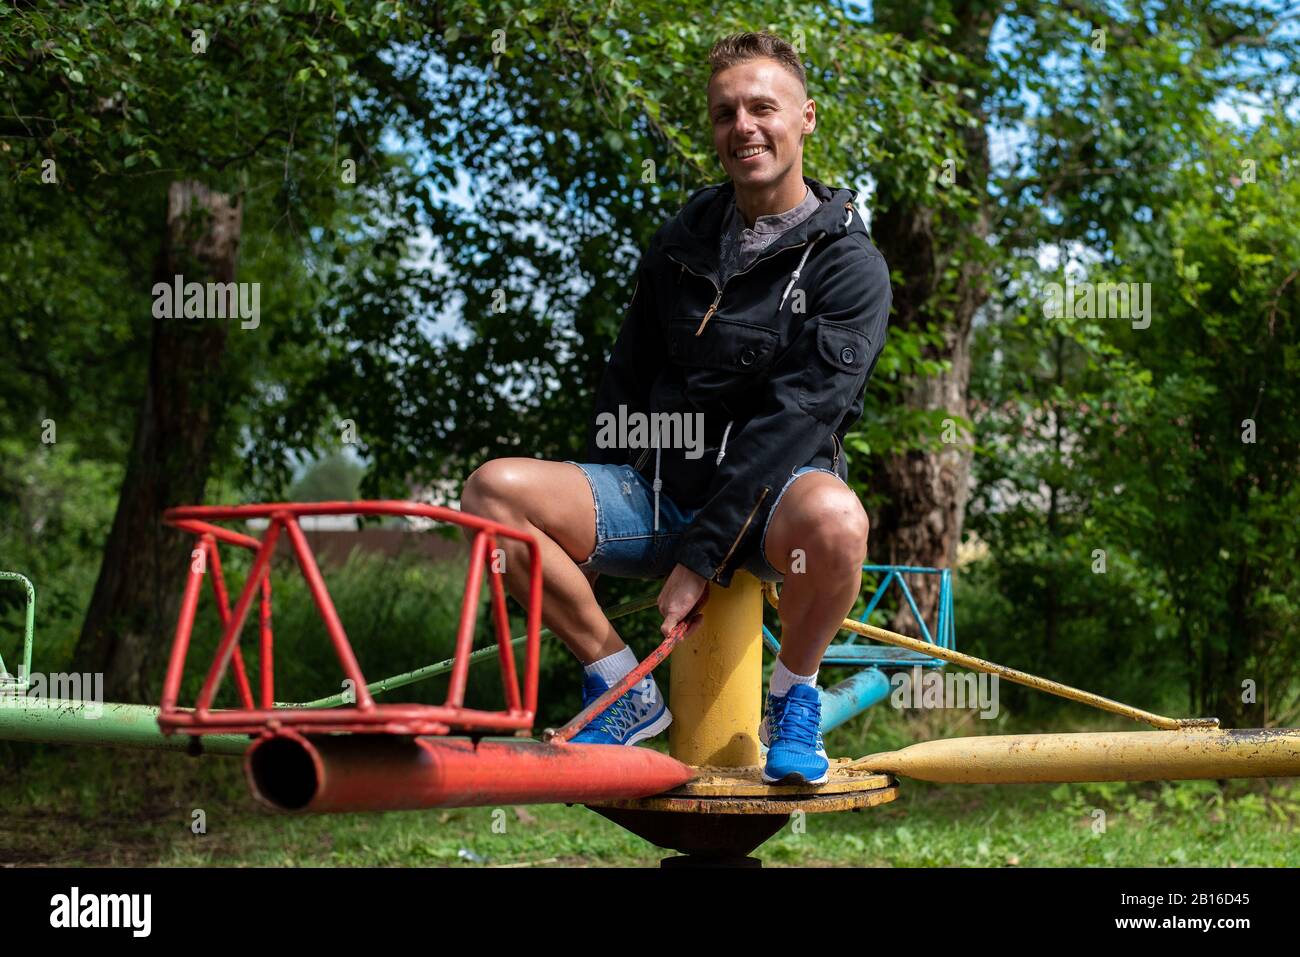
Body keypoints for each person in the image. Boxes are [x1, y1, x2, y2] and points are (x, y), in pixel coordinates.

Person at [461, 31, 891, 785]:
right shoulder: (680, 242)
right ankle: (621, 688)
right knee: (493, 493)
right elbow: (626, 381)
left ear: (807, 118)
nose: (744, 127)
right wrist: (595, 518)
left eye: (763, 107)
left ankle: (793, 696)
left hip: (772, 508)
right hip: (662, 493)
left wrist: (701, 561)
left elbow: (794, 424)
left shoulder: (849, 265)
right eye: (725, 113)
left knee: (838, 518)